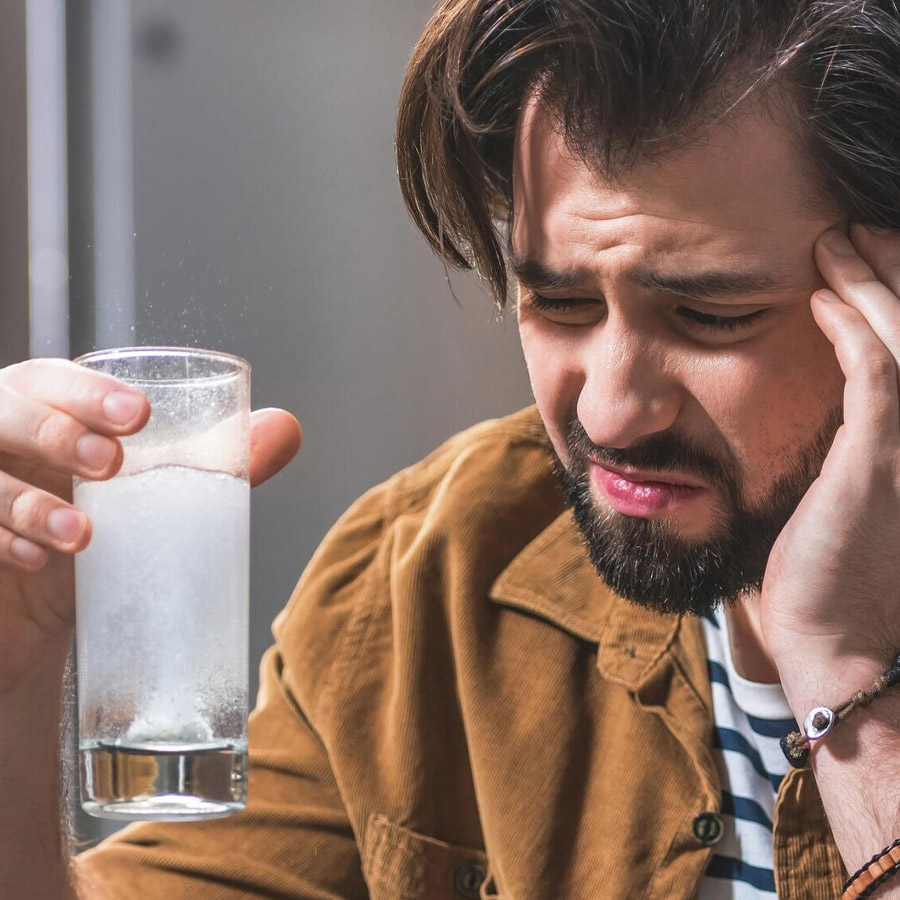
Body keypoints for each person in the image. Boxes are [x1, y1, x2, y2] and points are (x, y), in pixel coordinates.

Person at [5, 0, 900, 897]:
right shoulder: (434, 573)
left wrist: (846, 683)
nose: (613, 414)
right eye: (562, 304)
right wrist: (15, 679)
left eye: (712, 318)